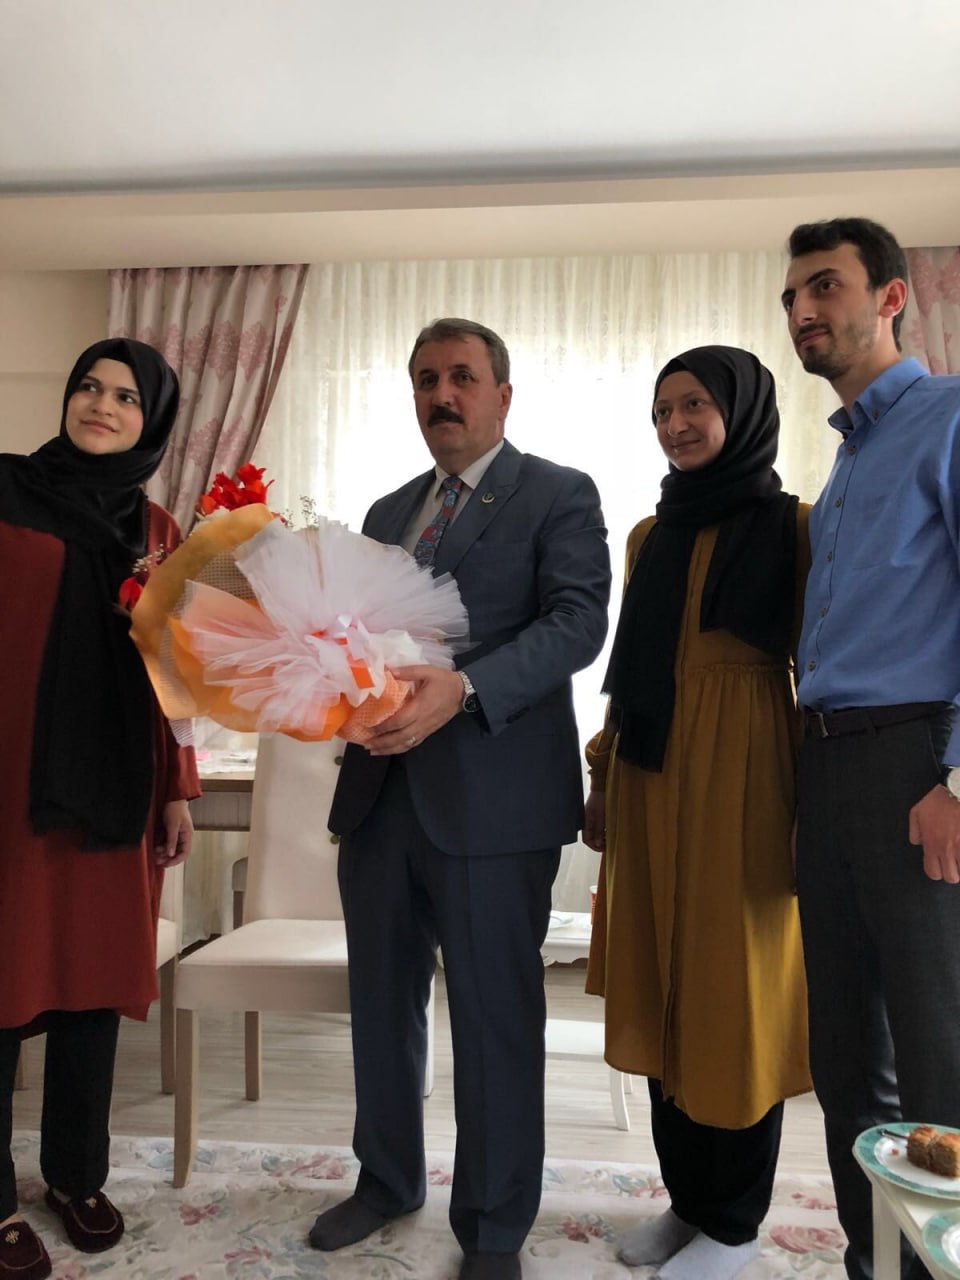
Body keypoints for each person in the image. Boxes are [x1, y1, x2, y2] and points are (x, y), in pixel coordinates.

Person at [308, 317, 611, 1280]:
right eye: (427, 379)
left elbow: (578, 623)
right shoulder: (386, 508)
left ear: (502, 394)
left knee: (494, 1020)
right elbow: (351, 636)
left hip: (496, 804)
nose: (443, 395)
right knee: (379, 1006)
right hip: (378, 797)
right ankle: (386, 1180)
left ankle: (491, 1227)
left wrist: (466, 689)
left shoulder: (560, 492)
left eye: (463, 378)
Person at [583, 346, 812, 1280]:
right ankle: (687, 1201)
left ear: (742, 410)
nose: (675, 424)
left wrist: (810, 805)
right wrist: (604, 778)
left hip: (751, 772)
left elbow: (818, 672)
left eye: (693, 405)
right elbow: (632, 670)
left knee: (735, 996)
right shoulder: (650, 535)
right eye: (661, 410)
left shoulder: (797, 526)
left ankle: (735, 1223)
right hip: (653, 771)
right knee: (664, 988)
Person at [781, 216, 960, 1280]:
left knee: (939, 1053)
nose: (804, 311)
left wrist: (955, 777)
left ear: (891, 297)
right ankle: (874, 1261)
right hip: (829, 764)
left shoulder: (949, 417)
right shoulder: (847, 460)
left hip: (914, 766)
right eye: (792, 297)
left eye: (825, 287)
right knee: (845, 1053)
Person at [0, 339, 198, 1280]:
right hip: (9, 784)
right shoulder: (5, 493)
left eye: (125, 397)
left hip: (116, 784)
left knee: (89, 988)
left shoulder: (158, 530)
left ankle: (75, 1176)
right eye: (89, 386)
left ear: (150, 422)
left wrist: (179, 788)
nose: (102, 406)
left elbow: (176, 674)